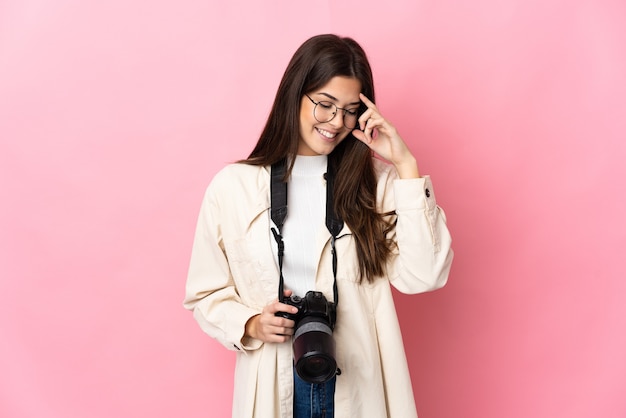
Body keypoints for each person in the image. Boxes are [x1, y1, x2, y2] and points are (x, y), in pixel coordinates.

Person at [183, 34, 453, 418]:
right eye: (325, 105)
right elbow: (204, 292)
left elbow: (424, 276)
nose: (336, 122)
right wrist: (251, 324)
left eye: (348, 111)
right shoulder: (233, 187)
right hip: (275, 378)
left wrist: (407, 168)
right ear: (295, 94)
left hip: (358, 383)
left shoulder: (377, 184)